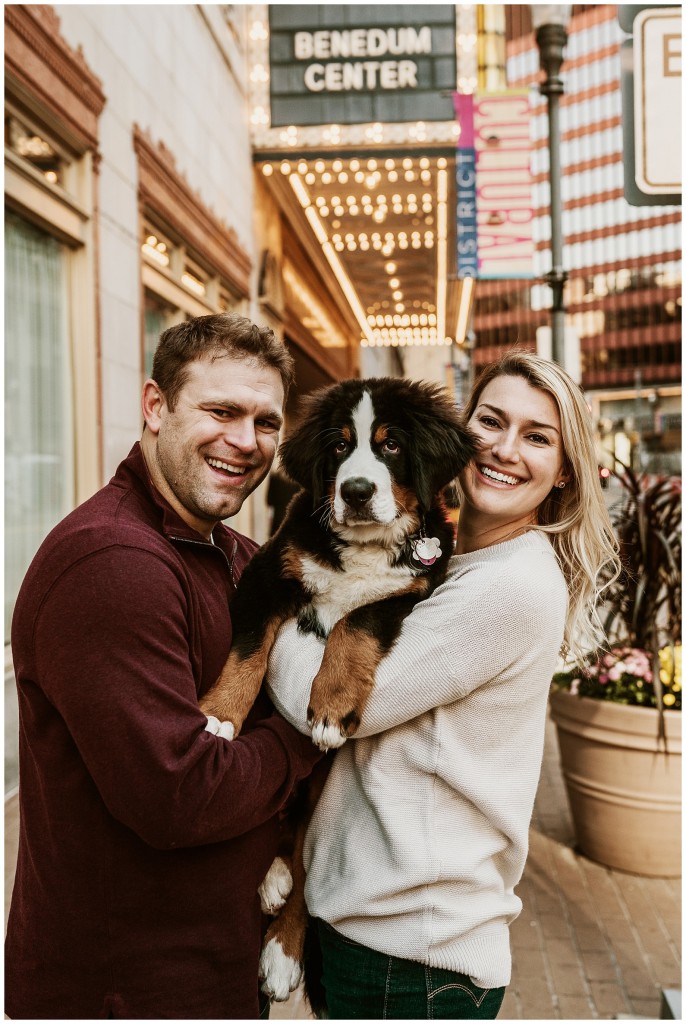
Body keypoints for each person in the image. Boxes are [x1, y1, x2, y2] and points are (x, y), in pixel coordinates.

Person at [266, 352, 619, 1020]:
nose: (505, 449)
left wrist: (274, 610)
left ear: (565, 469)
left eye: (538, 436)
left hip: (412, 956)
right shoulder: (453, 559)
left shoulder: (507, 587)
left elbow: (329, 706)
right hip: (375, 933)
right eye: (492, 421)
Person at [5, 313, 323, 1020]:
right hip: (122, 990)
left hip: (214, 971)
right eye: (221, 411)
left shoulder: (234, 556)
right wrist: (309, 730)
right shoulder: (112, 563)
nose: (245, 441)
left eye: (266, 422)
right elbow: (183, 797)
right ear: (155, 407)